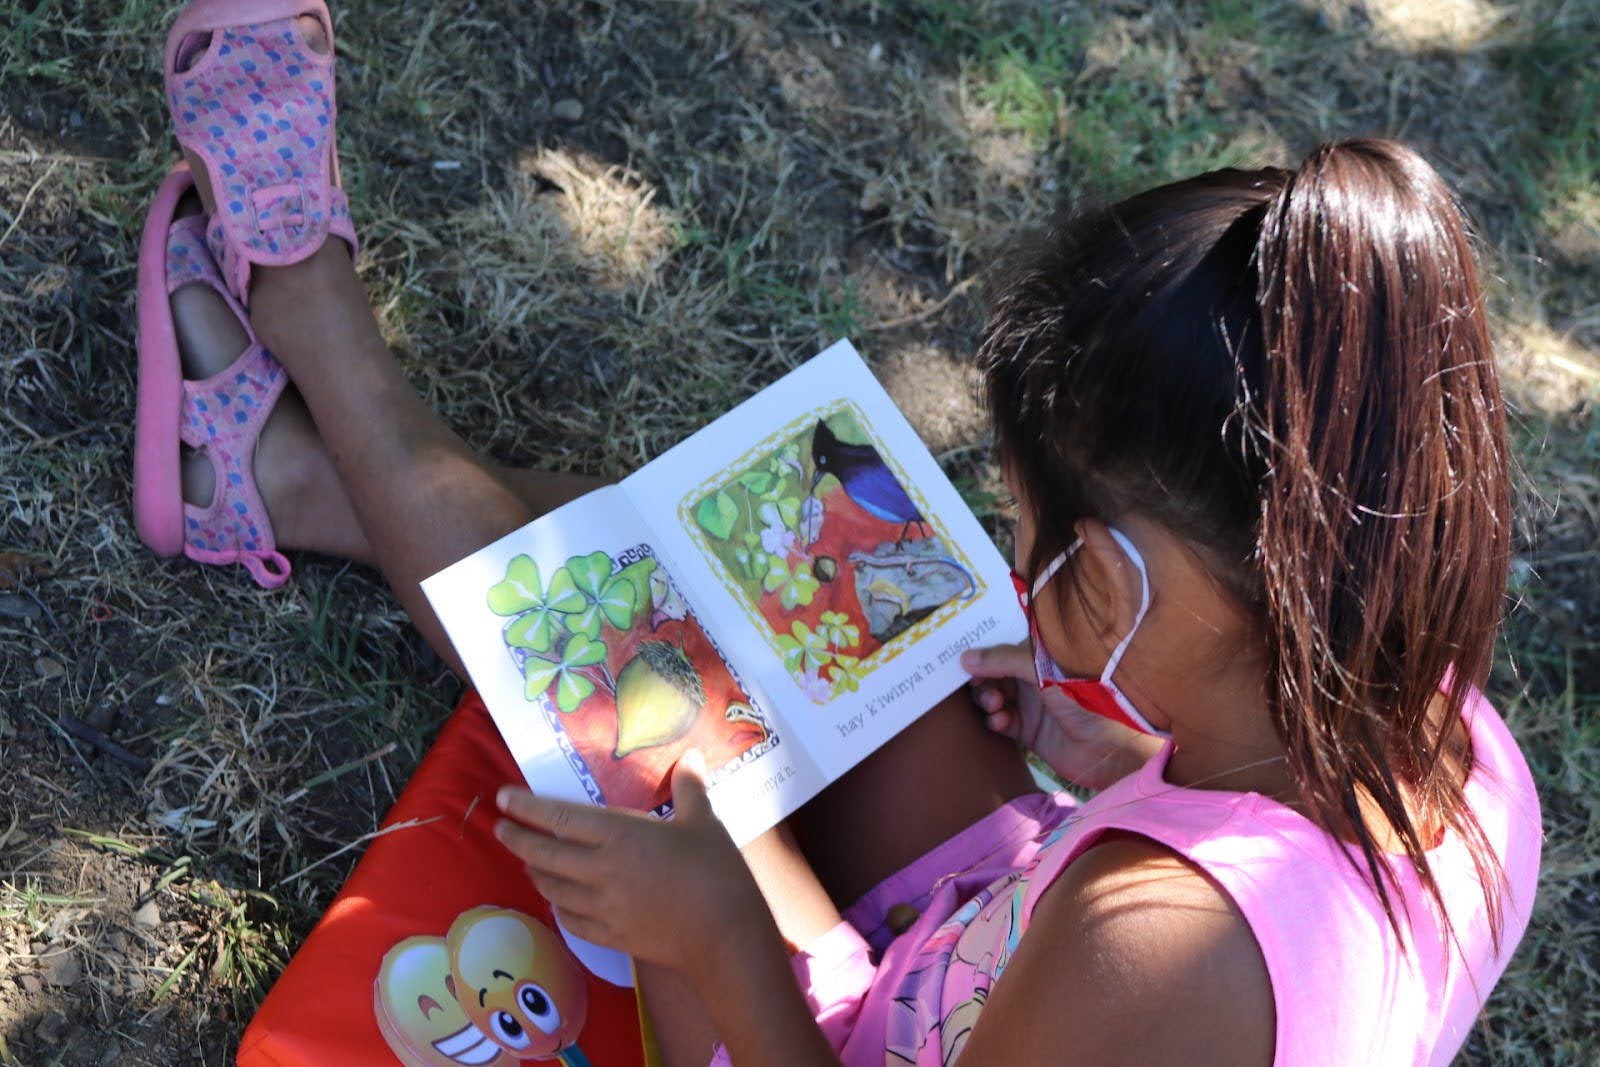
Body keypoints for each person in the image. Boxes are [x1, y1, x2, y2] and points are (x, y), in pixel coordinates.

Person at [137, 3, 1540, 1064]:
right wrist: (1119, 750)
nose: (1014, 558)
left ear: (1113, 590)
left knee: (623, 666)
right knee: (674, 583)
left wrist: (724, 942)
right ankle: (291, 485)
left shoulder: (1159, 945)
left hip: (853, 1025)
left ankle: (317, 327)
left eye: (1031, 535)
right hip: (993, 946)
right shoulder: (1449, 738)